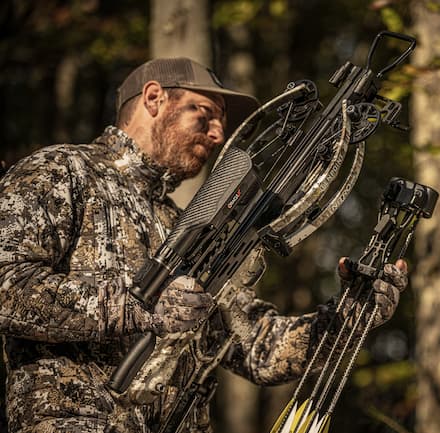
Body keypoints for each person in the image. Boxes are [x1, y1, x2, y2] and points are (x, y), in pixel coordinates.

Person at [0, 57, 408, 433]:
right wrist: (142, 304)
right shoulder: (61, 170)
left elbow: (258, 346)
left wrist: (348, 319)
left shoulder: (182, 223)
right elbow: (7, 287)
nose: (218, 135)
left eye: (221, 123)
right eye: (206, 114)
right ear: (154, 98)